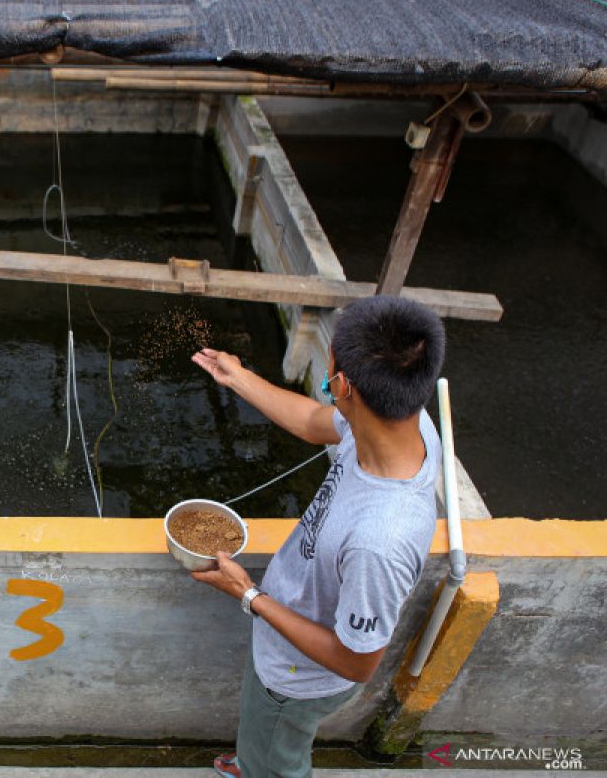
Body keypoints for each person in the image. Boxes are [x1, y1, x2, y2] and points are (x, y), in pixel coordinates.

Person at [190, 295, 446, 778]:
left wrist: (249, 596)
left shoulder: (379, 542)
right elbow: (312, 422)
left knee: (278, 759)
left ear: (343, 384)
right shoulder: (400, 422)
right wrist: (237, 376)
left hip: (296, 677)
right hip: (284, 639)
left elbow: (357, 663)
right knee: (262, 740)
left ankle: (259, 768)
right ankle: (253, 759)